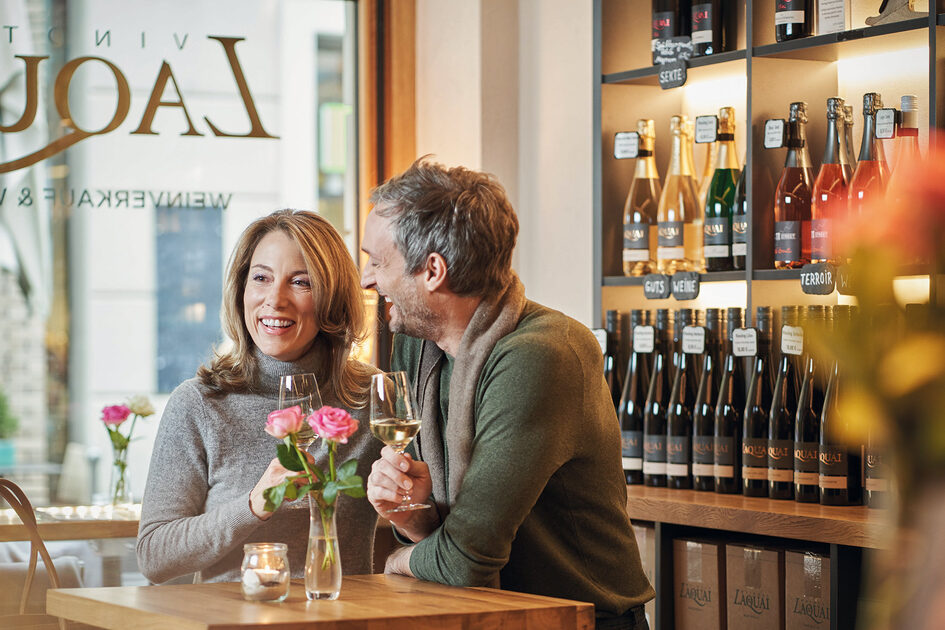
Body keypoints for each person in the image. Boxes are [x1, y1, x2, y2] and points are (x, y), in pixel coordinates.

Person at [360, 158, 655, 629]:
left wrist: (399, 561)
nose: (366, 279)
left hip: (580, 619)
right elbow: (452, 536)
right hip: (475, 614)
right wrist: (413, 515)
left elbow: (466, 560)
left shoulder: (542, 355)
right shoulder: (417, 345)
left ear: (433, 270)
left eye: (376, 261)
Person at [137, 210, 380, 584]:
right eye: (261, 278)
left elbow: (423, 520)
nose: (274, 299)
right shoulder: (200, 403)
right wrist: (253, 505)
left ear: (331, 299)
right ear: (242, 289)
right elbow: (154, 556)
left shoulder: (372, 398)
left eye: (301, 282)